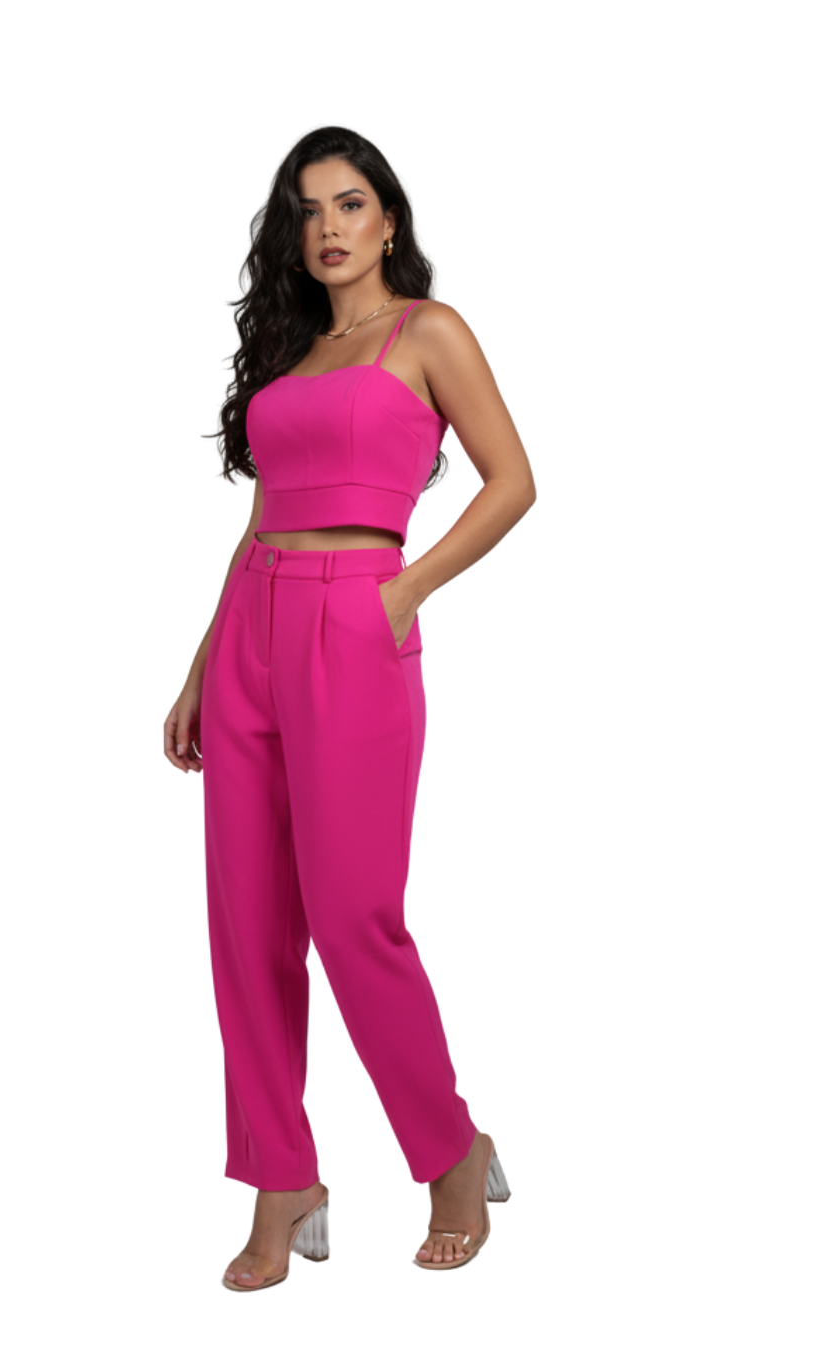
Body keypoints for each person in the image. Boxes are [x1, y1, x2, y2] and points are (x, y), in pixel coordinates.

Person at [164, 127, 537, 1291]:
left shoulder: (429, 333)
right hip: (254, 628)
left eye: (350, 203)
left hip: (356, 623)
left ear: (388, 220)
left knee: (353, 916)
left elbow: (515, 481)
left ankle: (451, 1151)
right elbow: (262, 515)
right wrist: (202, 664)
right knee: (247, 924)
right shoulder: (290, 355)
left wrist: (405, 590)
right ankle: (282, 1177)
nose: (328, 227)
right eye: (308, 209)